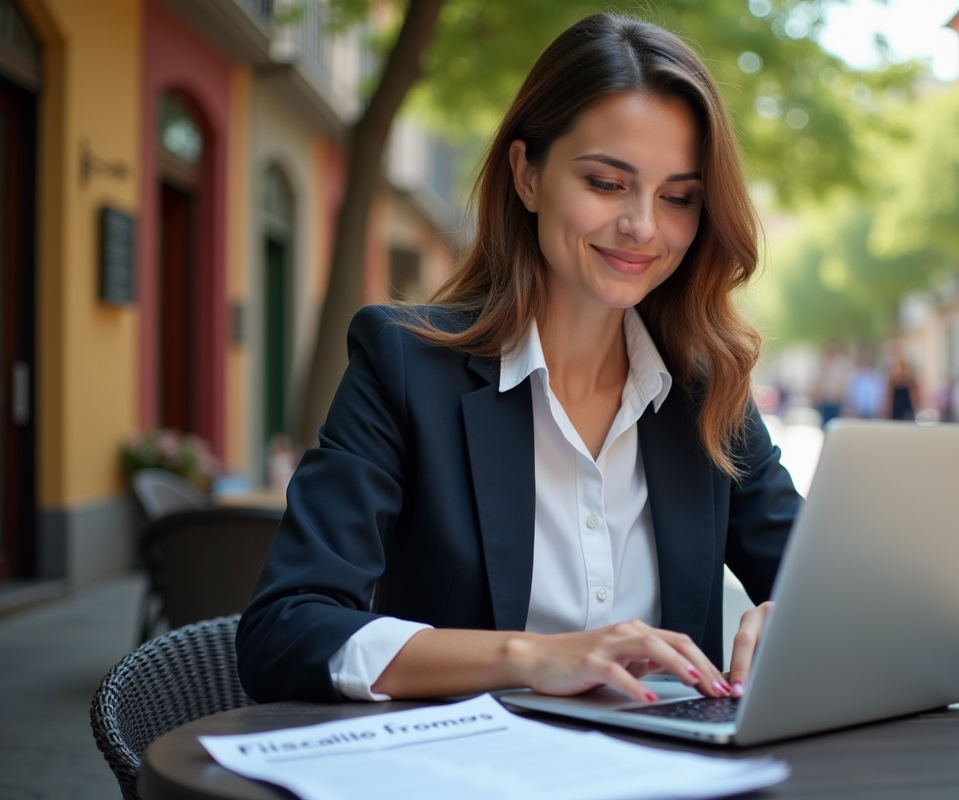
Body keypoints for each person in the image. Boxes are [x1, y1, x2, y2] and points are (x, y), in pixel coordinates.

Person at [236, 15, 801, 707]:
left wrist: (808, 625)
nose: (644, 226)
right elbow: (285, 630)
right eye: (605, 182)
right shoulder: (403, 366)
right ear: (527, 175)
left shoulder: (706, 389)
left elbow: (828, 588)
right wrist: (530, 657)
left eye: (678, 198)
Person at [813, 342, 851, 426]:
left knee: (835, 422)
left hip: (836, 401)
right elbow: (818, 381)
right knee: (825, 423)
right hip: (825, 399)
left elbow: (844, 383)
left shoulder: (841, 364)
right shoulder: (823, 364)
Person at [846, 355, 886, 420]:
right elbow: (851, 393)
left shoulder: (879, 376)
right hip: (858, 411)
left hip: (874, 411)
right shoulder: (856, 376)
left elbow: (882, 394)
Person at [886, 357, 919, 422]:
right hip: (896, 410)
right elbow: (889, 397)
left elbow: (915, 396)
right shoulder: (893, 381)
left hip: (907, 410)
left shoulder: (910, 381)